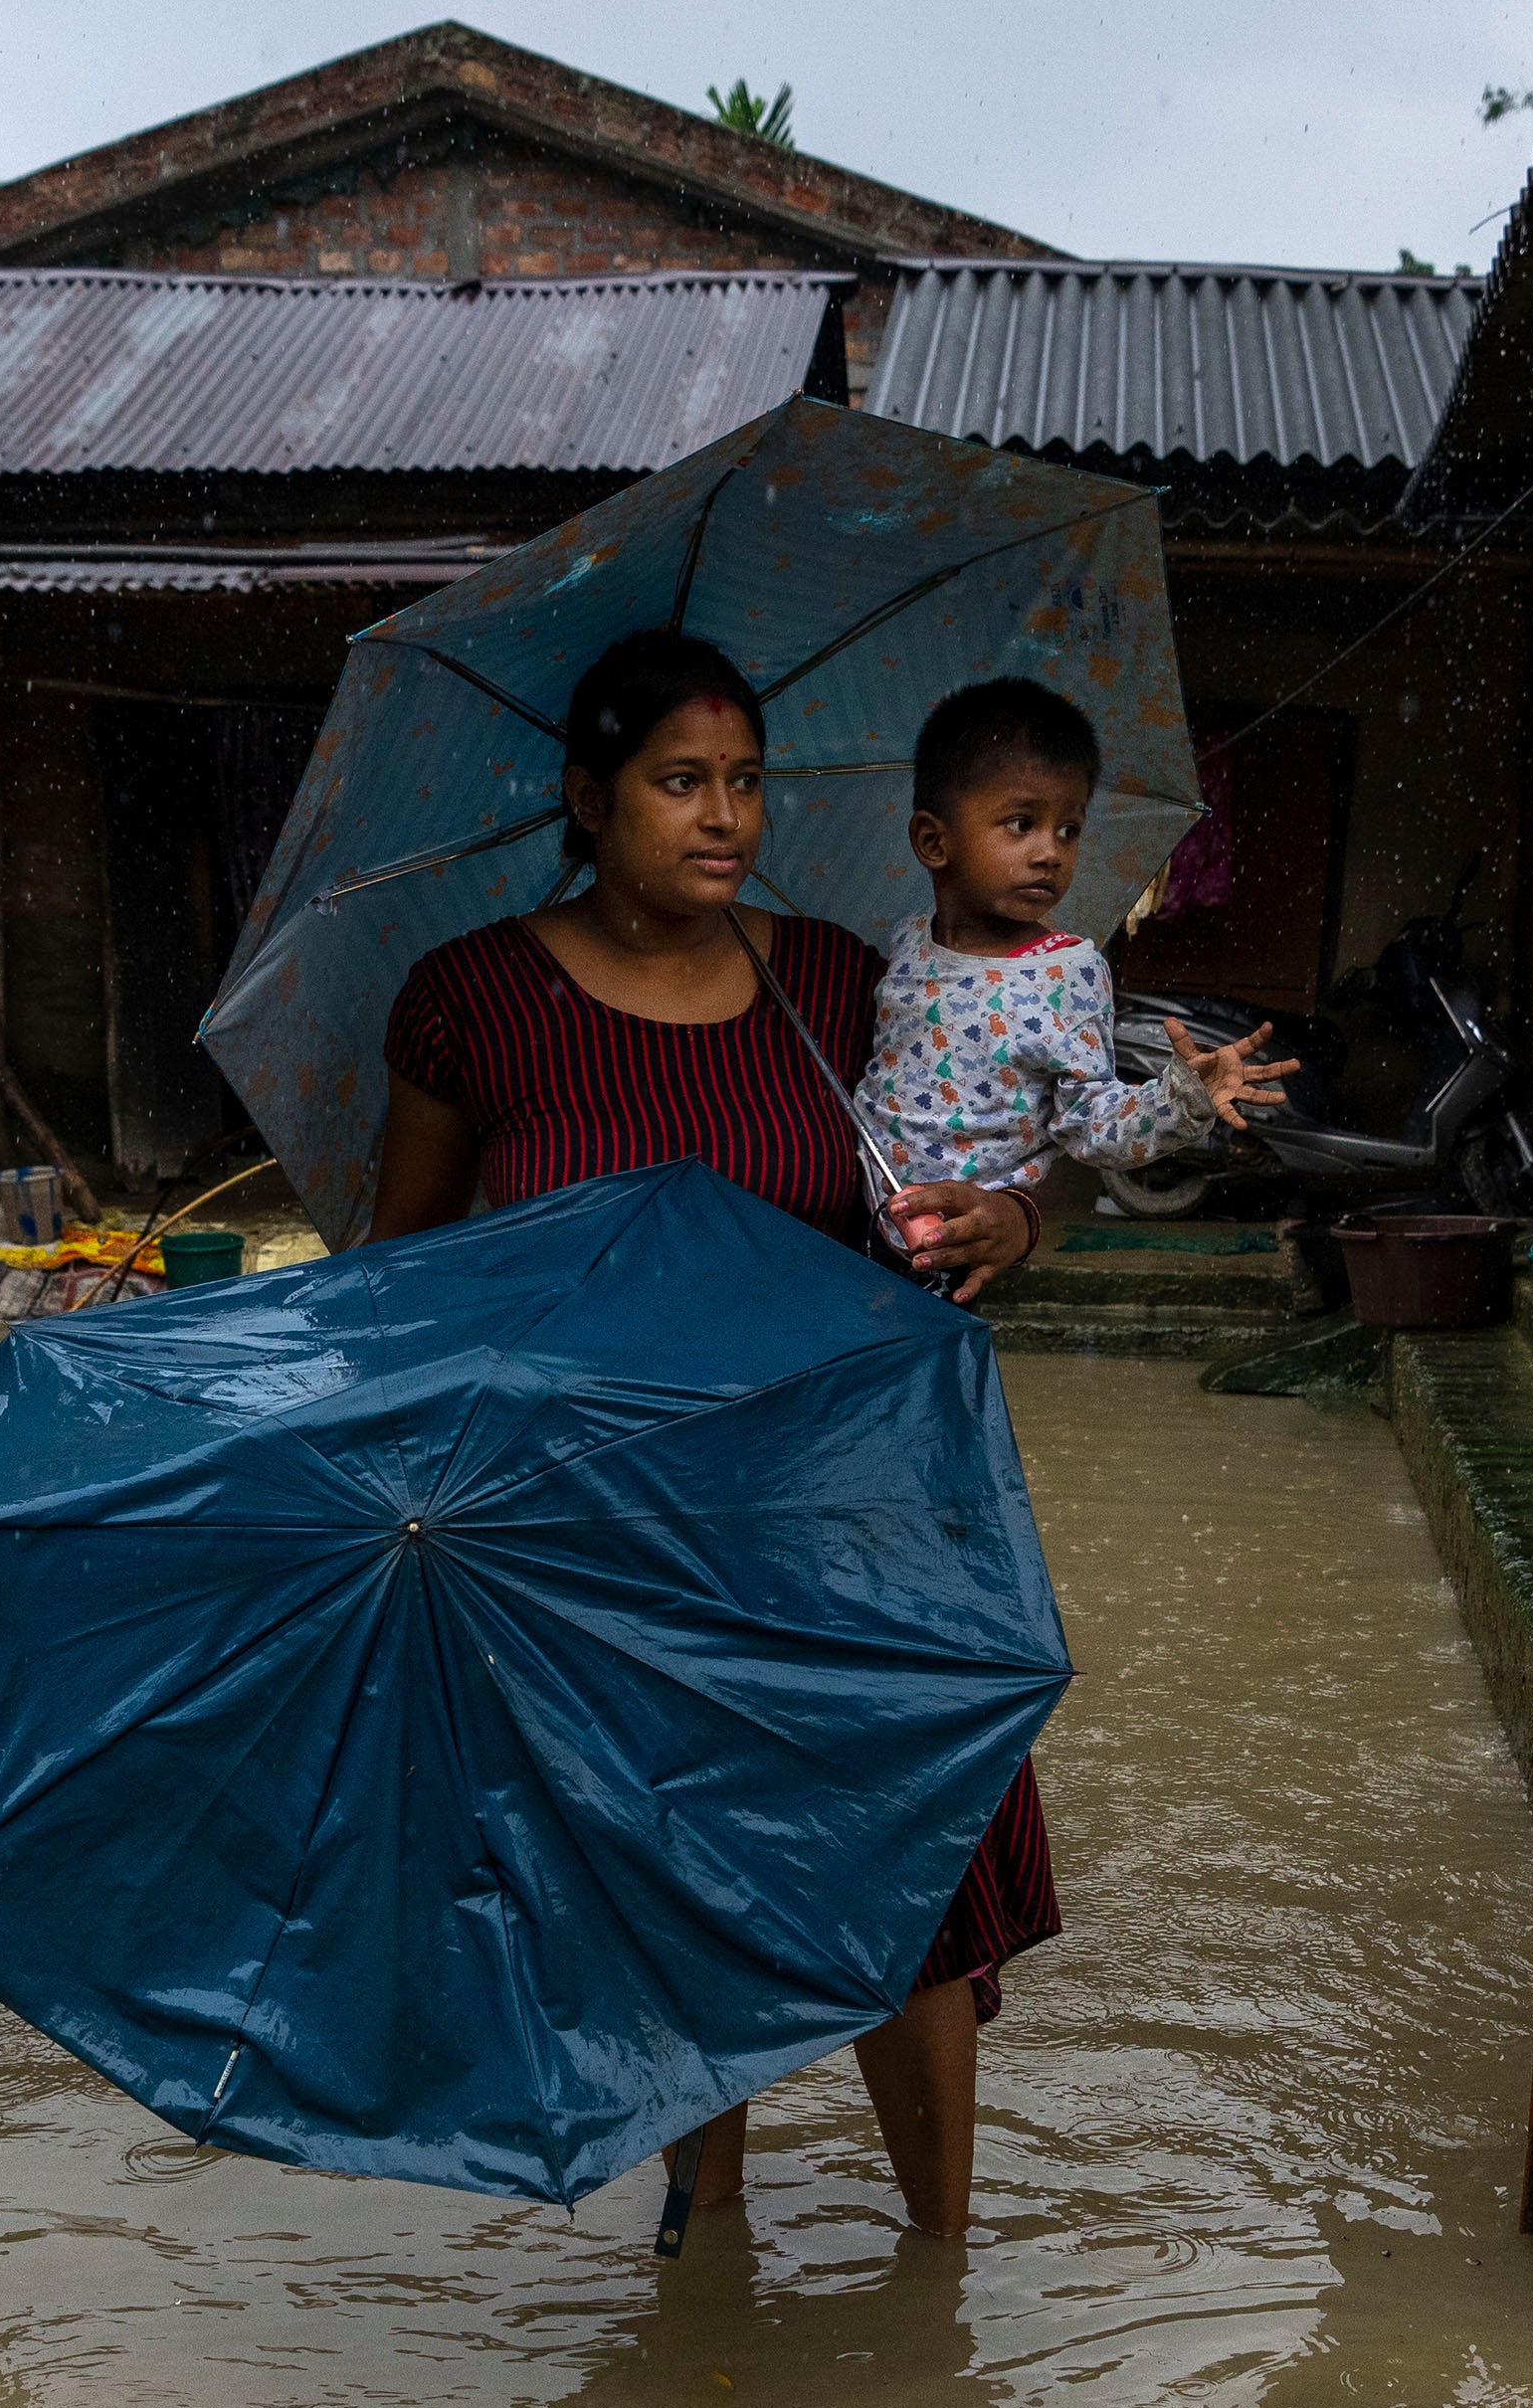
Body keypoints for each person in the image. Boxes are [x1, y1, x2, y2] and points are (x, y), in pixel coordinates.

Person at [359, 628, 1051, 2254]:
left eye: (744, 782)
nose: (723, 816)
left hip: (847, 1509)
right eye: (681, 782)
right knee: (670, 1872)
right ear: (590, 797)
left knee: (919, 1867)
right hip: (604, 1531)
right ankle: (705, 2210)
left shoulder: (829, 983)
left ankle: (938, 2257)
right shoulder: (470, 1001)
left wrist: (1009, 1217)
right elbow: (402, 1281)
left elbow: (973, 1179)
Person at [866, 678, 1296, 1198]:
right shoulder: (910, 939)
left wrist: (1182, 1098)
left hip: (966, 1240)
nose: (1051, 851)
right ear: (935, 842)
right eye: (1021, 823)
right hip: (858, 1211)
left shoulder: (1067, 973)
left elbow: (1092, 1122)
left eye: (1068, 829)